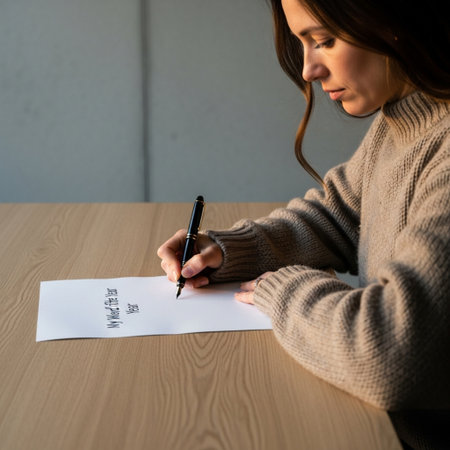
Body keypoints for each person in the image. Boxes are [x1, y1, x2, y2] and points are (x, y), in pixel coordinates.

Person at [158, 0, 450, 445]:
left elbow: (390, 352)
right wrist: (230, 249)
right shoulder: (409, 116)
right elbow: (339, 217)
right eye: (301, 42)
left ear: (391, 20)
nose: (309, 69)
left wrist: (285, 290)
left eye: (325, 41)